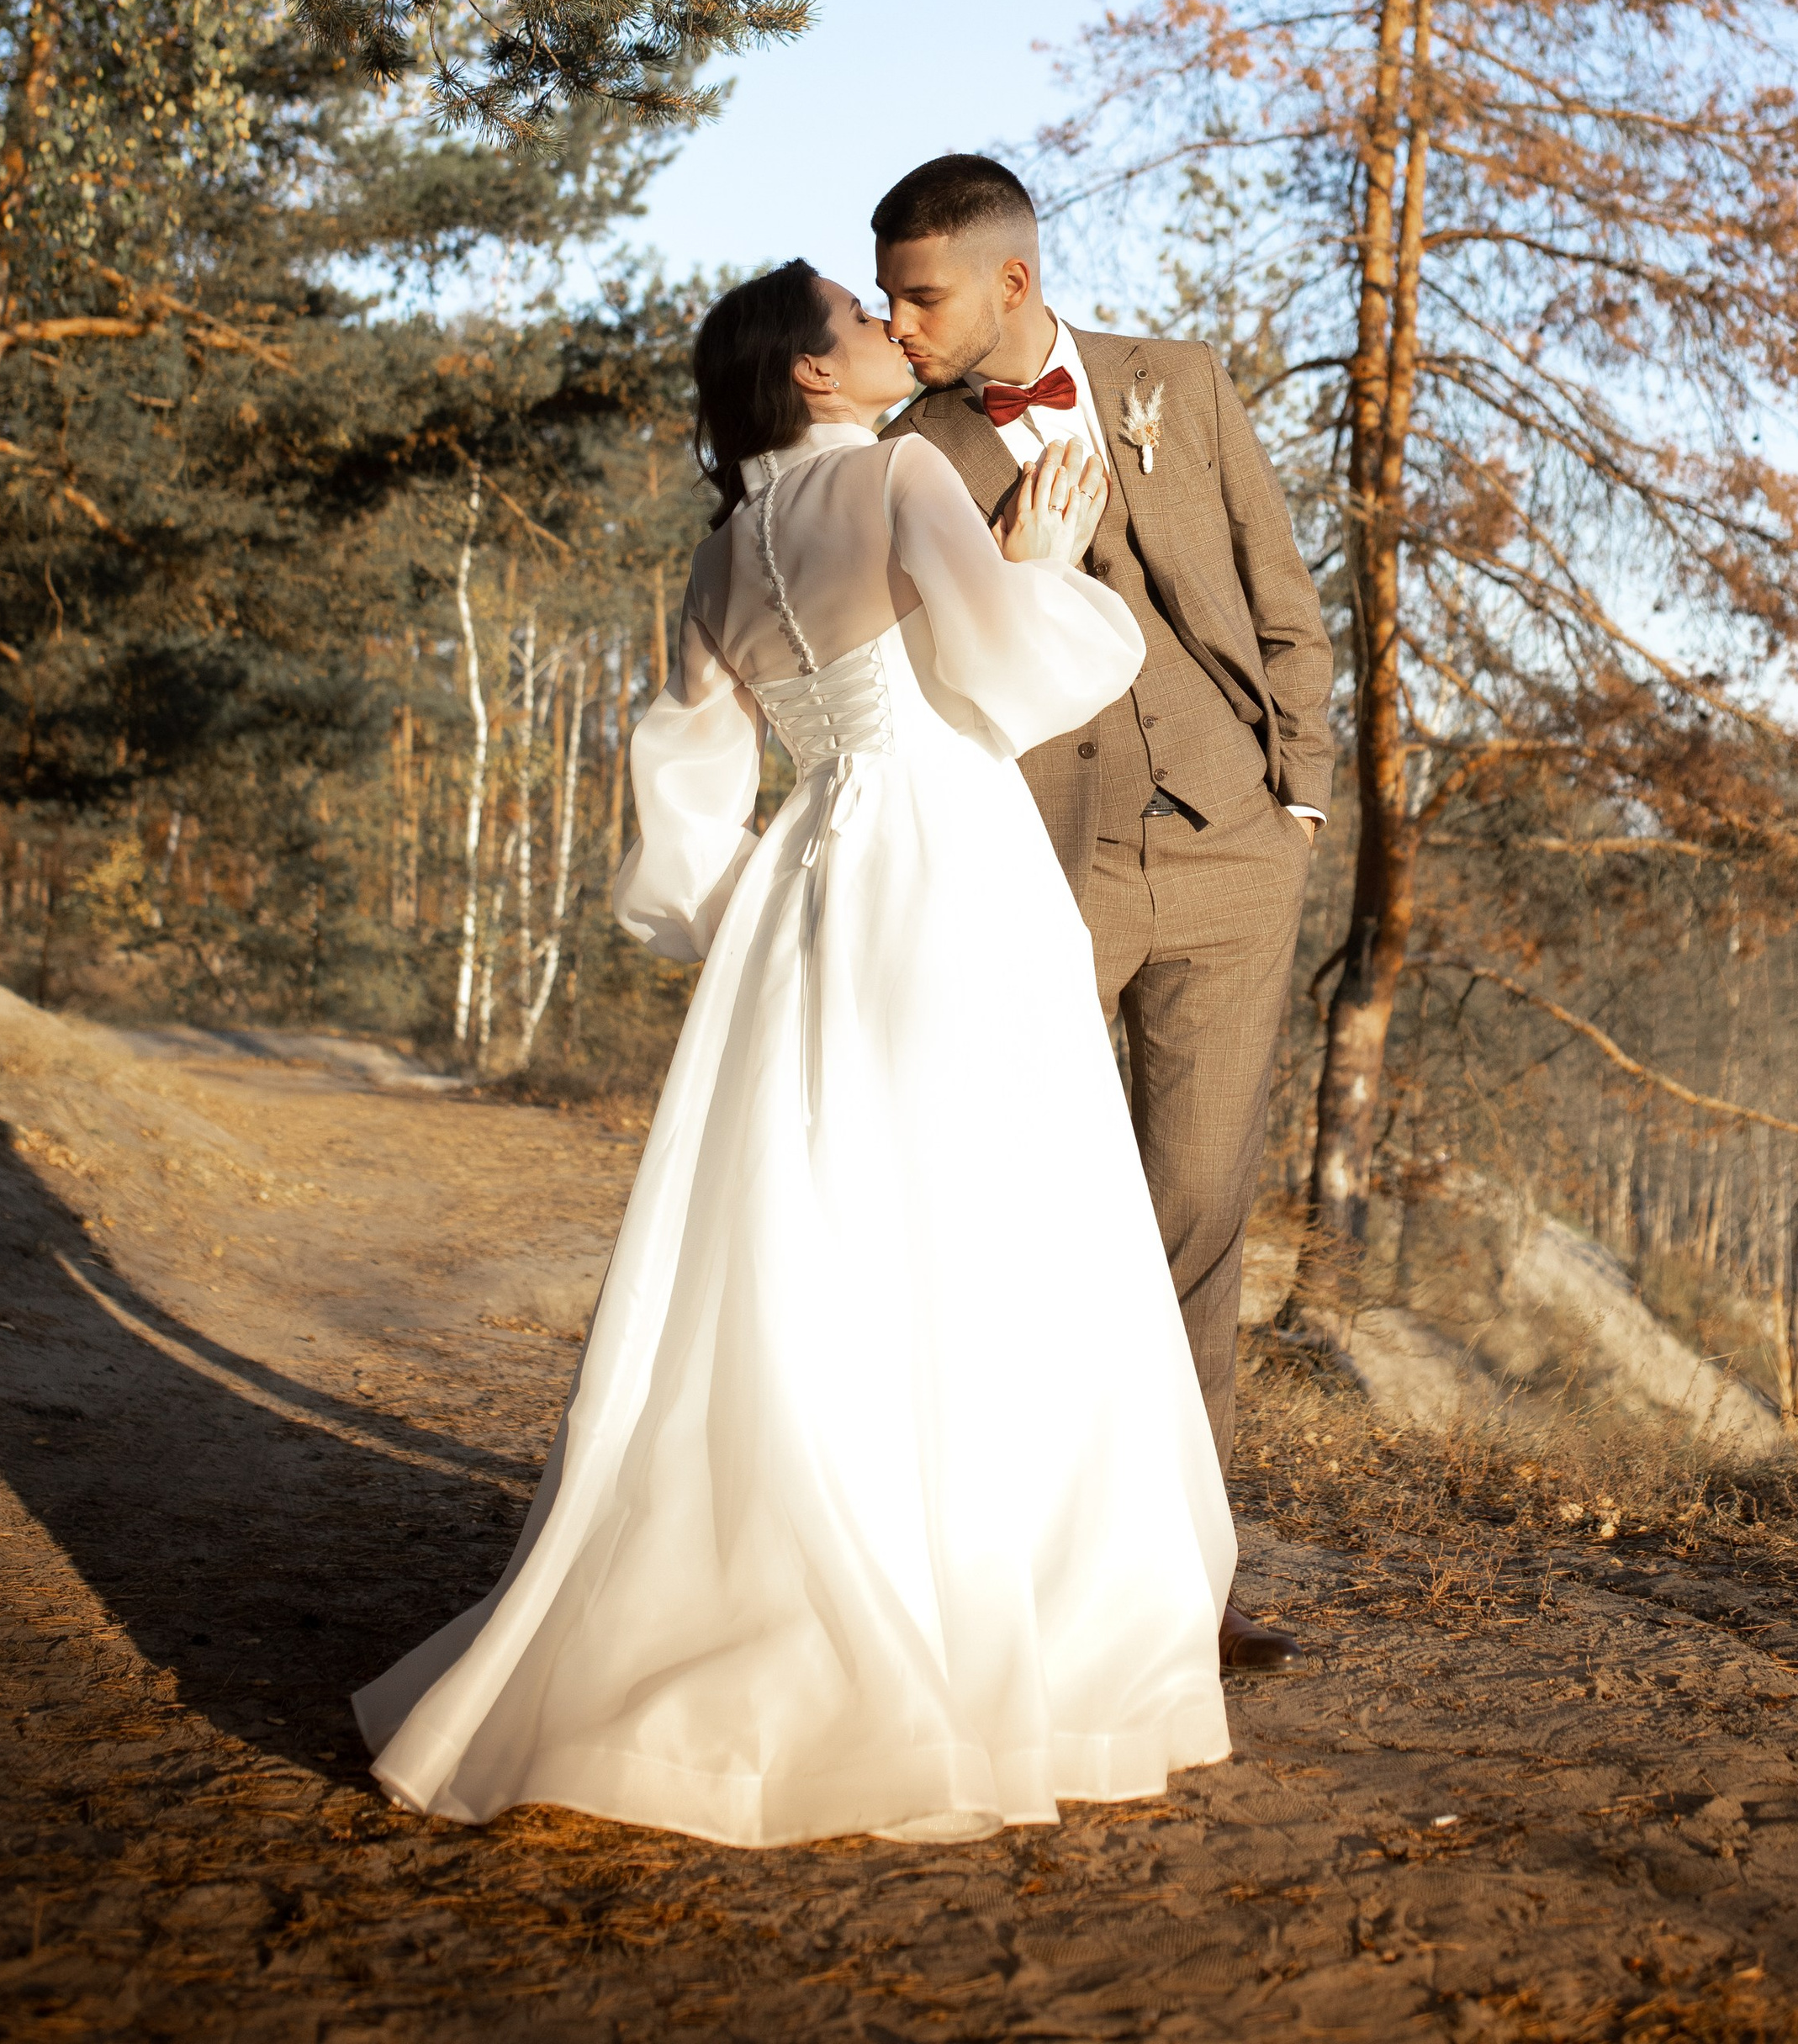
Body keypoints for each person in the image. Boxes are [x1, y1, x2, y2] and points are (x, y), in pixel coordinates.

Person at [353, 260, 1238, 1848]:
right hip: (943, 857)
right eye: (861, 315)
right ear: (814, 378)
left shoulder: (714, 555)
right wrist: (1041, 561)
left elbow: (689, 773)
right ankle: (1005, 1614)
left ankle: (814, 1569)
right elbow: (1006, 678)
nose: (895, 331)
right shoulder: (903, 475)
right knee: (983, 1217)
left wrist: (724, 919)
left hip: (808, 884)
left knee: (812, 1234)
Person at [874, 156, 1334, 1671]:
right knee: (1016, 1213)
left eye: (921, 292)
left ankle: (1177, 1593)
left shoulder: (1178, 383)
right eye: (886, 294)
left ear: (1012, 281)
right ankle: (1001, 1570)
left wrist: (1302, 802)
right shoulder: (914, 451)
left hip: (1230, 858)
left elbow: (1280, 589)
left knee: (1195, 1221)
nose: (901, 319)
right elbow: (925, 678)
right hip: (1039, 866)